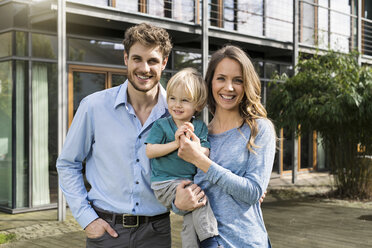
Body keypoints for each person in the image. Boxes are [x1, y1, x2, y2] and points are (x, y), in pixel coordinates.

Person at [56, 23, 206, 248]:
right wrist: (87, 220)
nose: (144, 68)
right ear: (126, 58)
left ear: (164, 63)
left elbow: (200, 167)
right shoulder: (94, 106)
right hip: (106, 232)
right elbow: (68, 164)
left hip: (157, 233)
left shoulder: (182, 114)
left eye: (153, 61)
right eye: (137, 59)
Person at [175, 45, 276, 248]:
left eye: (237, 80)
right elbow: (180, 189)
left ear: (246, 84)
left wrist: (201, 161)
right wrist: (177, 204)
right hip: (202, 242)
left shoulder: (259, 129)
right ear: (210, 82)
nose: (228, 88)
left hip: (246, 242)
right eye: (221, 78)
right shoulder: (196, 135)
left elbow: (253, 192)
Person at [145, 68, 221, 248]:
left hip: (185, 181)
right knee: (200, 200)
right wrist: (176, 143)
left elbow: (206, 152)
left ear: (198, 104)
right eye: (172, 98)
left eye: (185, 100)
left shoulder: (200, 127)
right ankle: (211, 241)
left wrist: (194, 146)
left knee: (191, 214)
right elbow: (150, 151)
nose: (177, 105)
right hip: (165, 183)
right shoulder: (161, 125)